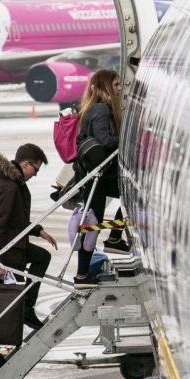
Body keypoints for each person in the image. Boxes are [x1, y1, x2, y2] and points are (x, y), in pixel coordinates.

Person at [0, 143, 58, 369]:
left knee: (40, 258)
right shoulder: (7, 187)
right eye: (35, 170)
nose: (35, 175)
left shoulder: (9, 183)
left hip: (9, 248)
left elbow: (14, 220)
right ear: (25, 164)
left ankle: (26, 308)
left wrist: (38, 231)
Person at [73, 69, 130, 289]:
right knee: (92, 224)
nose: (119, 88)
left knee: (94, 221)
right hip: (98, 175)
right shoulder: (101, 109)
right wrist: (127, 135)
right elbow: (104, 140)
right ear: (106, 87)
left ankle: (114, 239)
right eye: (115, 84)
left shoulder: (93, 108)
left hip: (97, 174)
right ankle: (81, 275)